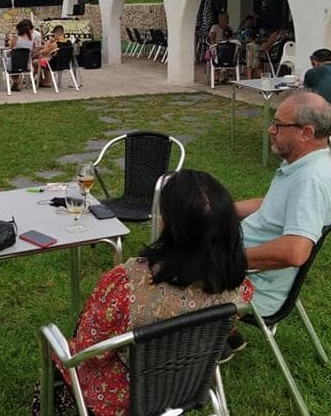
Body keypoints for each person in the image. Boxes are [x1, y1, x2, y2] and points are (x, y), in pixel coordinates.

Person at [53, 170, 254, 416]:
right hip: (187, 387)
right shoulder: (240, 289)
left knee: (59, 352)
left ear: (169, 224)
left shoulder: (126, 284)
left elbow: (90, 353)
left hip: (122, 398)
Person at [234, 91, 331, 319]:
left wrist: (226, 260)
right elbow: (275, 205)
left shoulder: (311, 180)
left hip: (252, 286)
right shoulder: (304, 165)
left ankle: (200, 338)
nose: (270, 130)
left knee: (155, 281)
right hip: (244, 267)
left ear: (306, 133)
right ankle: (220, 335)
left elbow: (295, 251)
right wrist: (222, 208)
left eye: (278, 125)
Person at [7, 19, 37, 91]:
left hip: (13, 65)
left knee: (6, 60)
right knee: (18, 60)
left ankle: (16, 81)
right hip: (26, 65)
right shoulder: (32, 41)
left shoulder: (16, 39)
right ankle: (17, 82)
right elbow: (32, 52)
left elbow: (9, 51)